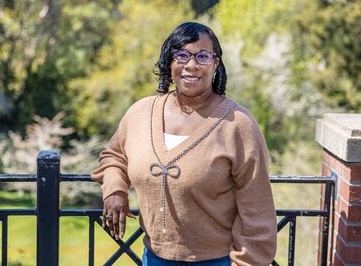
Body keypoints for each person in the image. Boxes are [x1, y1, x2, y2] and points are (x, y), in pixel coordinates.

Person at [91, 22, 277, 266]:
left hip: (218, 261)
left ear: (215, 64)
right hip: (153, 258)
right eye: (182, 55)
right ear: (170, 62)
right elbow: (113, 156)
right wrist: (115, 190)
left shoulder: (238, 125)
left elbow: (257, 210)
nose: (191, 65)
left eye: (202, 56)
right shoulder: (140, 113)